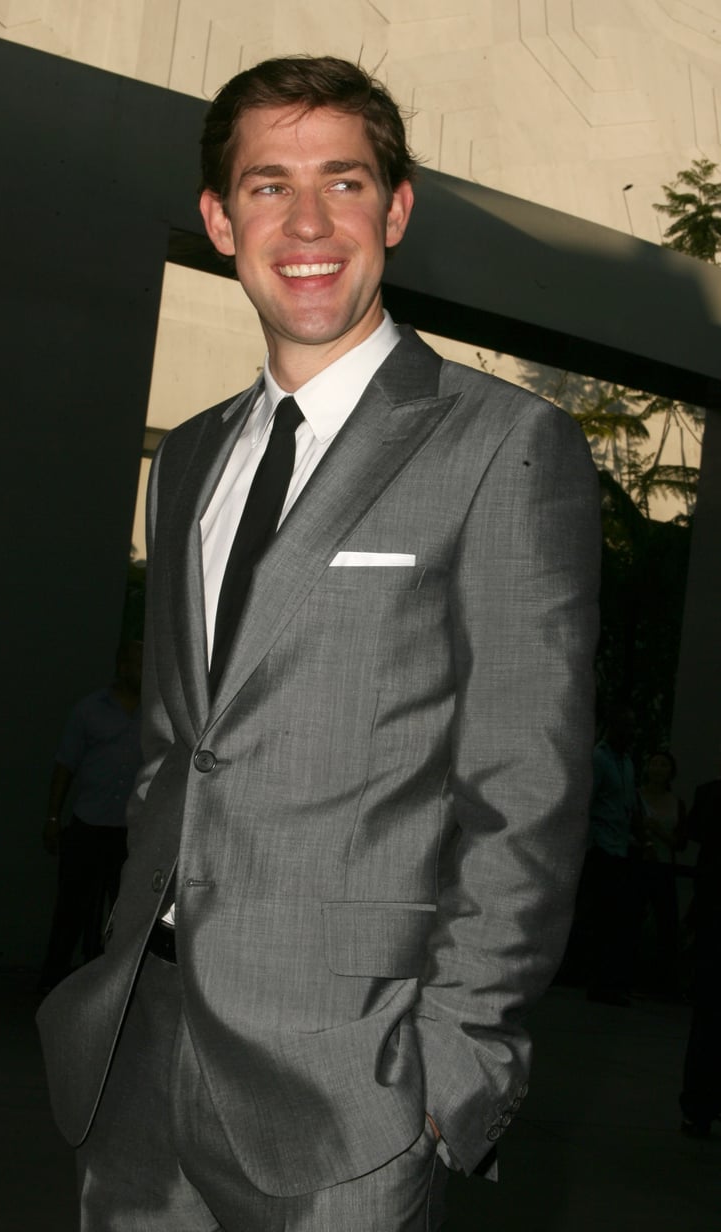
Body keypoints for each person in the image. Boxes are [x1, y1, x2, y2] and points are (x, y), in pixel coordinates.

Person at [37, 56, 600, 1230]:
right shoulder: (186, 454)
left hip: (354, 1083)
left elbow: (526, 789)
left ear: (394, 211)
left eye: (343, 183)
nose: (305, 223)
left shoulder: (505, 446)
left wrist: (456, 1063)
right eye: (266, 185)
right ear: (217, 217)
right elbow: (179, 741)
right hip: (142, 1044)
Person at [37, 639, 143, 995]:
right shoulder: (89, 711)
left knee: (124, 916)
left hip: (130, 832)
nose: (139, 670)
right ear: (120, 665)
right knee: (71, 911)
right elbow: (65, 764)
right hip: (89, 824)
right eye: (134, 662)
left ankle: (108, 995)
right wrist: (53, 818)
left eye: (145, 663)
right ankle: (51, 988)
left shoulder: (156, 715)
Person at [583, 703, 640, 1006]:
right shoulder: (599, 759)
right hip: (602, 850)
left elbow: (625, 805)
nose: (631, 732)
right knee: (604, 919)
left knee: (619, 920)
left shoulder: (627, 762)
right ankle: (599, 984)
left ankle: (612, 982)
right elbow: (588, 805)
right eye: (626, 726)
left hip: (620, 849)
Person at [679, 759, 721, 1137]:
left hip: (712, 917)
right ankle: (699, 1103)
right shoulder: (710, 794)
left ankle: (700, 1105)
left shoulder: (710, 794)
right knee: (709, 1017)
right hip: (713, 919)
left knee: (708, 1018)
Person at [637, 749, 685, 998]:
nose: (657, 769)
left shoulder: (677, 803)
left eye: (663, 765)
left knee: (666, 922)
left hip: (665, 866)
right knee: (634, 918)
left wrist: (658, 832)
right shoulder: (637, 797)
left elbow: (681, 842)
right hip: (640, 865)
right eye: (654, 764)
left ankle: (664, 982)